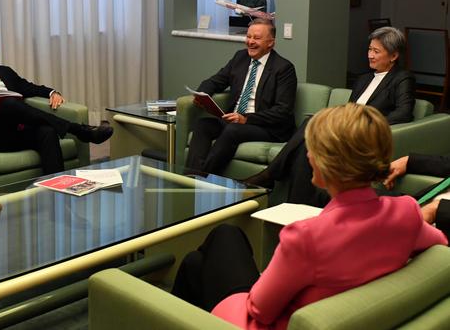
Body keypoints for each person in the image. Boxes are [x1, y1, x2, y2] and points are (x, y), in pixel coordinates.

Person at [171, 104, 447, 329]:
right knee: (195, 263)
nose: (308, 155)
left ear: (325, 162)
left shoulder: (305, 237)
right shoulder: (406, 212)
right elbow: (441, 245)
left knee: (224, 235)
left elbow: (259, 309)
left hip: (268, 323)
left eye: (311, 148)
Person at [244, 26, 415, 207]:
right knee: (305, 148)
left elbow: (404, 112)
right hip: (345, 128)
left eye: (376, 51)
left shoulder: (402, 78)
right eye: (369, 50)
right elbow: (348, 108)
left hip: (362, 133)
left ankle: (270, 175)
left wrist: (366, 122)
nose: (370, 55)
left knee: (312, 122)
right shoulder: (363, 79)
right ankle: (295, 206)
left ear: (394, 56)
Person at [0, 26, 113, 174]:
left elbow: (30, 88)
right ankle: (77, 129)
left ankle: (57, 195)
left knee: (46, 131)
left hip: (15, 135)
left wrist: (52, 92)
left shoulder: (5, 72)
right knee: (8, 102)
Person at [185, 18, 297, 175]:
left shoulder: (284, 68)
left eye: (256, 38)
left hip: (266, 127)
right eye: (248, 37)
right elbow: (216, 81)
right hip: (234, 119)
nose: (250, 42)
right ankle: (190, 177)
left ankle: (202, 178)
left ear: (271, 42)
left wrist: (246, 119)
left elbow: (282, 111)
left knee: (232, 131)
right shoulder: (240, 58)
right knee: (203, 125)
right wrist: (202, 94)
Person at [383, 153, 450, 239]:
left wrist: (438, 210)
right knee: (365, 200)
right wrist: (410, 161)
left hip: (438, 234)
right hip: (419, 203)